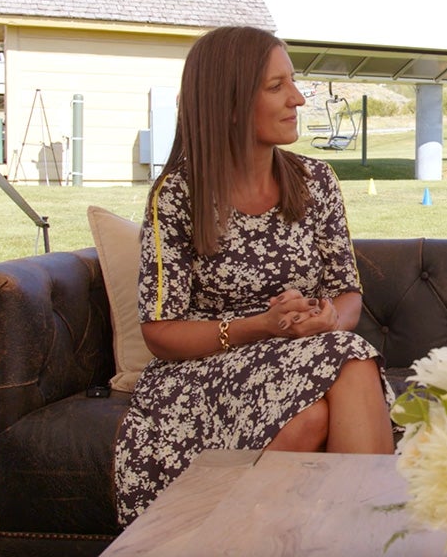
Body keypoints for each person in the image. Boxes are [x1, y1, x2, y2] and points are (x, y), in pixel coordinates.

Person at [115, 26, 394, 526]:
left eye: (293, 82)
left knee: (334, 374)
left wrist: (328, 320)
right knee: (337, 378)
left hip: (306, 357)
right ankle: (372, 534)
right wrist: (261, 326)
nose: (298, 98)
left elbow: (347, 294)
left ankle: (227, 535)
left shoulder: (315, 181)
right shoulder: (177, 195)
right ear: (230, 104)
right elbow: (160, 332)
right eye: (276, 86)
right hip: (206, 372)